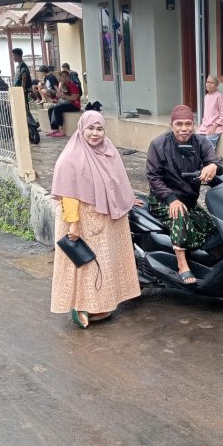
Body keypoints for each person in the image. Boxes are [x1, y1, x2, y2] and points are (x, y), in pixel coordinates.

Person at [50, 111, 141, 328]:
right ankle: (80, 305)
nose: (95, 133)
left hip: (107, 217)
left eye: (99, 128)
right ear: (82, 128)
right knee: (86, 263)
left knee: (105, 262)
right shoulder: (72, 156)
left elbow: (116, 179)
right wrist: (73, 223)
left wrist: (127, 199)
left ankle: (101, 306)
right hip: (83, 219)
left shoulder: (108, 149)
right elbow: (67, 192)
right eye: (90, 128)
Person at [146, 105, 223, 284]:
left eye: (188, 124)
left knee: (212, 228)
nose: (184, 128)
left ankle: (204, 262)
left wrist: (213, 166)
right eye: (179, 124)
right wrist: (171, 199)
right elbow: (153, 177)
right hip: (163, 200)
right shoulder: (158, 144)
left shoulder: (201, 142)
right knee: (180, 214)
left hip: (190, 200)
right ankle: (182, 265)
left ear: (194, 124)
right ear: (171, 125)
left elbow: (216, 161)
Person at [196, 74, 223, 148]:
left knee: (208, 144)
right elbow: (206, 114)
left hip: (217, 126)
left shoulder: (219, 96)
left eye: (211, 83)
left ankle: (210, 159)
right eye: (207, 82)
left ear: (216, 85)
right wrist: (203, 125)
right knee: (195, 140)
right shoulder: (206, 97)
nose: (208, 84)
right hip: (206, 126)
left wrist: (214, 126)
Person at [47, 70, 81, 137]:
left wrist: (64, 96)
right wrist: (58, 95)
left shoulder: (72, 85)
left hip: (74, 105)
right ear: (61, 78)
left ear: (69, 77)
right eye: (63, 76)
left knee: (57, 109)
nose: (64, 77)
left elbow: (74, 98)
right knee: (50, 109)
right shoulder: (63, 84)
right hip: (66, 103)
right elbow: (58, 96)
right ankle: (54, 129)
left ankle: (61, 130)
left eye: (66, 76)